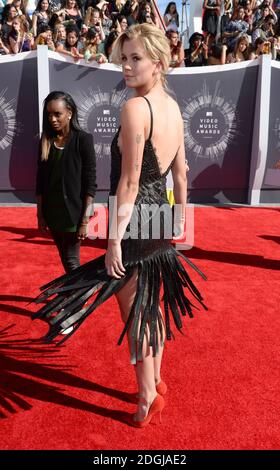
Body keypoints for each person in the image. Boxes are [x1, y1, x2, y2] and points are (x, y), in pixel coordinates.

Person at [33, 24, 206, 427]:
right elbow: (180, 176)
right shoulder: (173, 108)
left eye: (135, 59)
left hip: (133, 223)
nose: (125, 67)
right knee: (152, 306)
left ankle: (146, 396)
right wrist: (179, 222)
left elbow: (128, 182)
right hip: (158, 217)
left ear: (158, 62)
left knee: (137, 312)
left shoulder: (135, 108)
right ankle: (157, 379)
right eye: (123, 58)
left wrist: (113, 242)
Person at [36, 91, 96, 275]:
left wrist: (85, 220)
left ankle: (80, 300)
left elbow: (90, 182)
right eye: (49, 114)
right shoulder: (46, 140)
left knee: (71, 260)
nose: (53, 119)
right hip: (52, 212)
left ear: (69, 113)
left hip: (73, 214)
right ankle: (75, 298)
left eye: (57, 114)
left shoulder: (83, 139)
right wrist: (40, 214)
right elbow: (40, 181)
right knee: (65, 258)